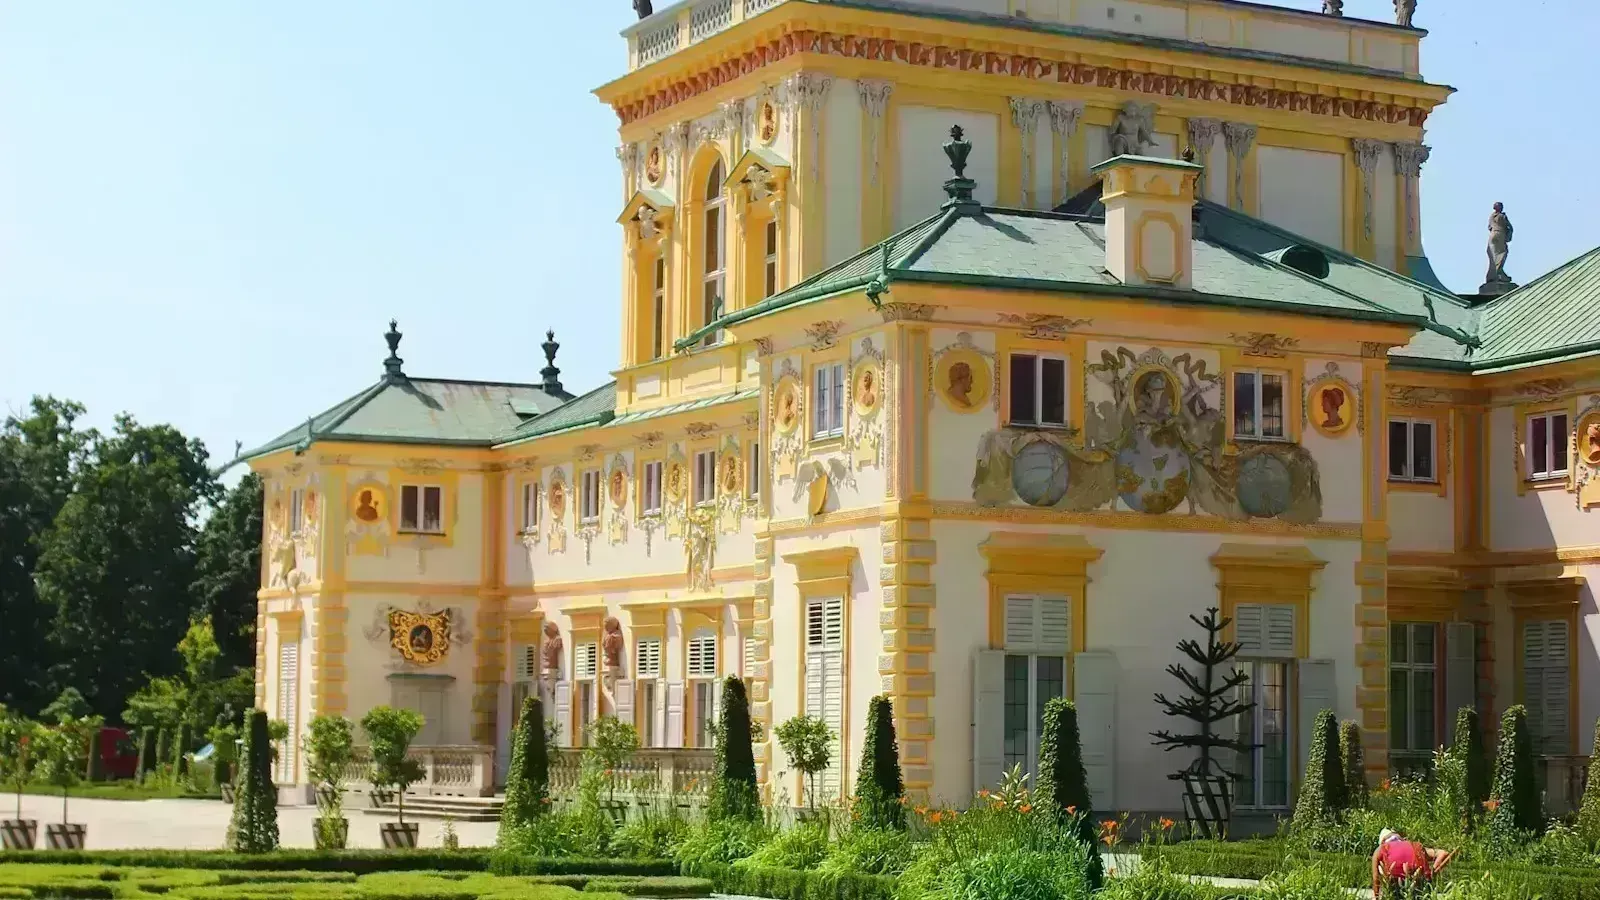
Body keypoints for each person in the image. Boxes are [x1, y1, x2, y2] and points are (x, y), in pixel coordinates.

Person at [1371, 829, 1453, 898]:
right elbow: (1444, 853)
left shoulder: (1381, 849)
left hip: (1394, 885)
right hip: (1421, 883)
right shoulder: (1414, 846)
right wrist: (1433, 871)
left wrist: (1376, 897)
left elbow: (1376, 879)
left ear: (1382, 841)